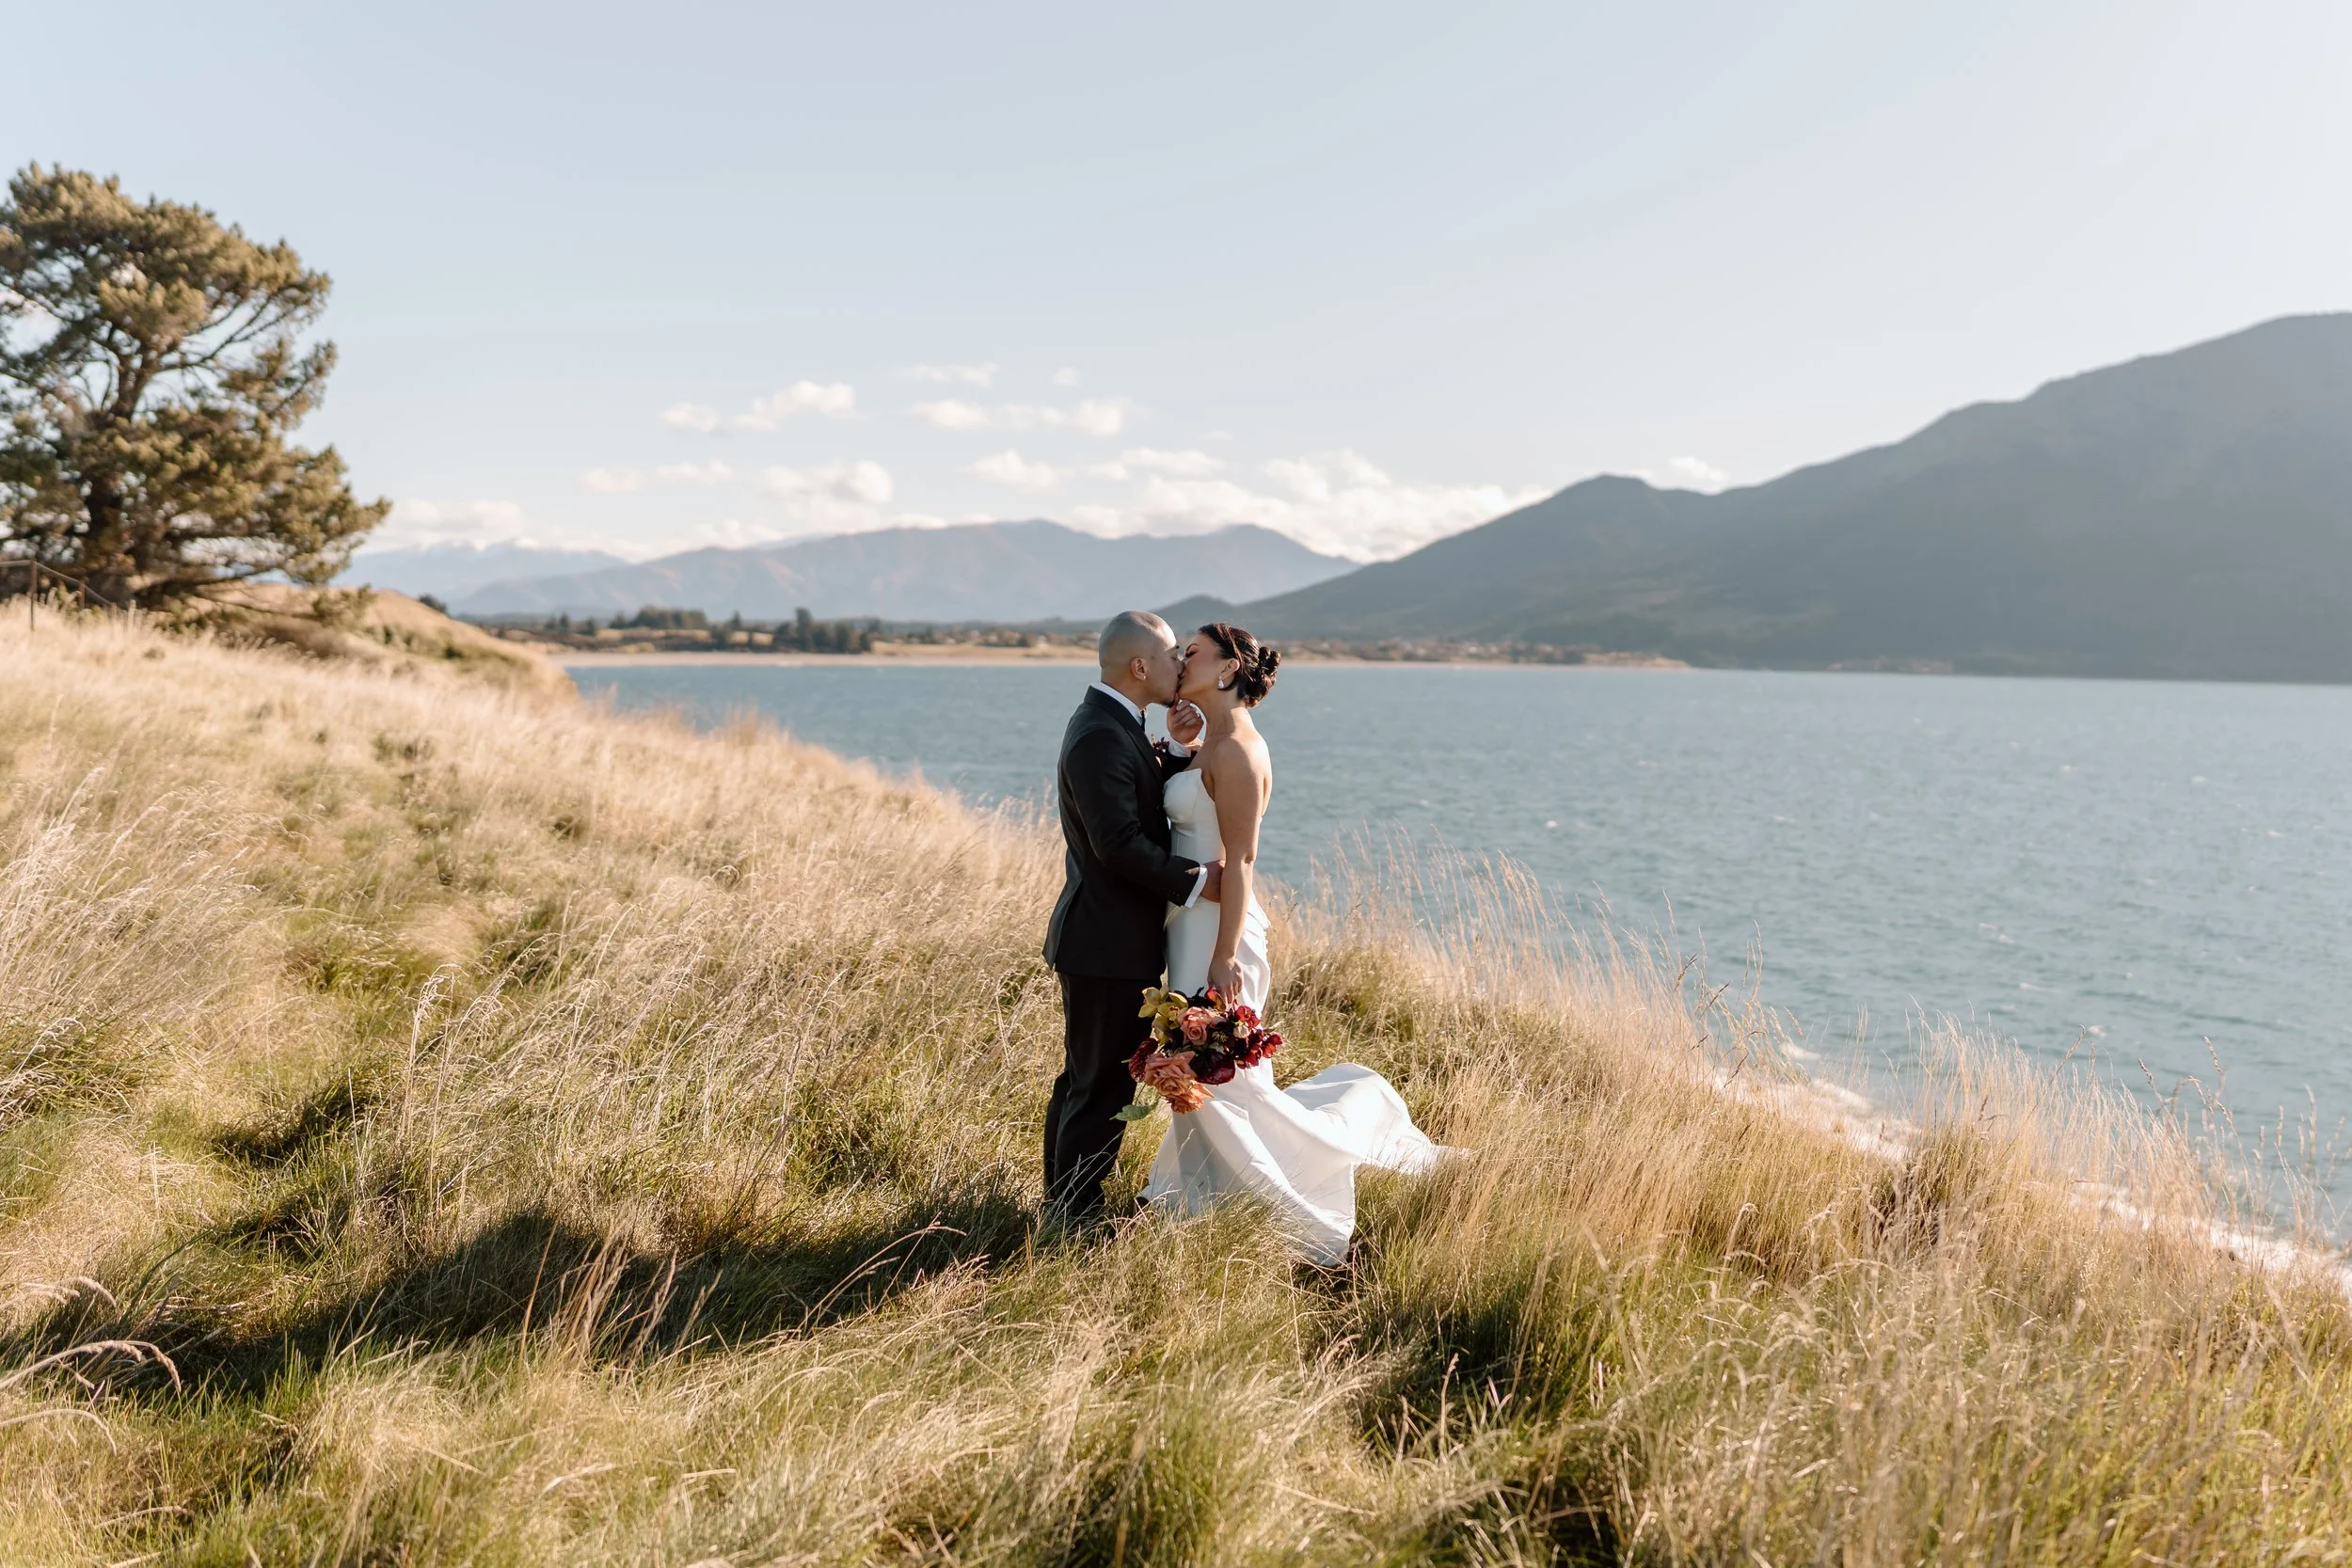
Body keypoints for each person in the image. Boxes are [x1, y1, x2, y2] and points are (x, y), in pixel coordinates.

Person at [1139, 622, 1444, 1263]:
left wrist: (1224, 955)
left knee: (1218, 1074)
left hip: (1219, 933)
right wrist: (1175, 743)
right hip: (1188, 924)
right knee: (1203, 1072)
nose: (1178, 659)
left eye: (1190, 652)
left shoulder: (1241, 752)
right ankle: (1197, 1199)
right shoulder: (1209, 741)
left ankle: (1297, 1223)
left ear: (1226, 670)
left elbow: (1243, 861)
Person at [1041, 610, 1221, 1224]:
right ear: (1140, 666)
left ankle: (1064, 1206)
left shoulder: (1115, 723)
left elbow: (1132, 794)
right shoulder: (1098, 733)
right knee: (1100, 1089)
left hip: (1104, 941)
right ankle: (1077, 1216)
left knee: (1084, 1083)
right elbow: (1116, 841)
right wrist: (1198, 879)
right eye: (1173, 654)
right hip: (1104, 945)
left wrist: (1173, 752)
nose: (1181, 663)